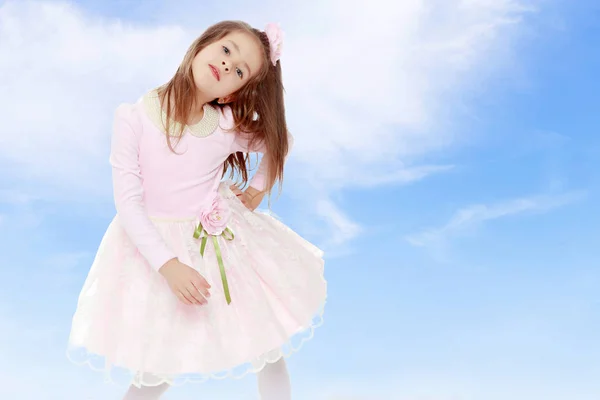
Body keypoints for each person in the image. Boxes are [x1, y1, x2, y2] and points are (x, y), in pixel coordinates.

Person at [66, 20, 327, 400]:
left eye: (239, 71)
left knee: (264, 343)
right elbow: (128, 203)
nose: (227, 65)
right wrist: (168, 265)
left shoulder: (224, 125)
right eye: (226, 51)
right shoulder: (133, 116)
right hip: (152, 249)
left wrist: (256, 192)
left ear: (235, 91)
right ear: (203, 44)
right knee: (157, 362)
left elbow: (278, 139)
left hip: (218, 245)